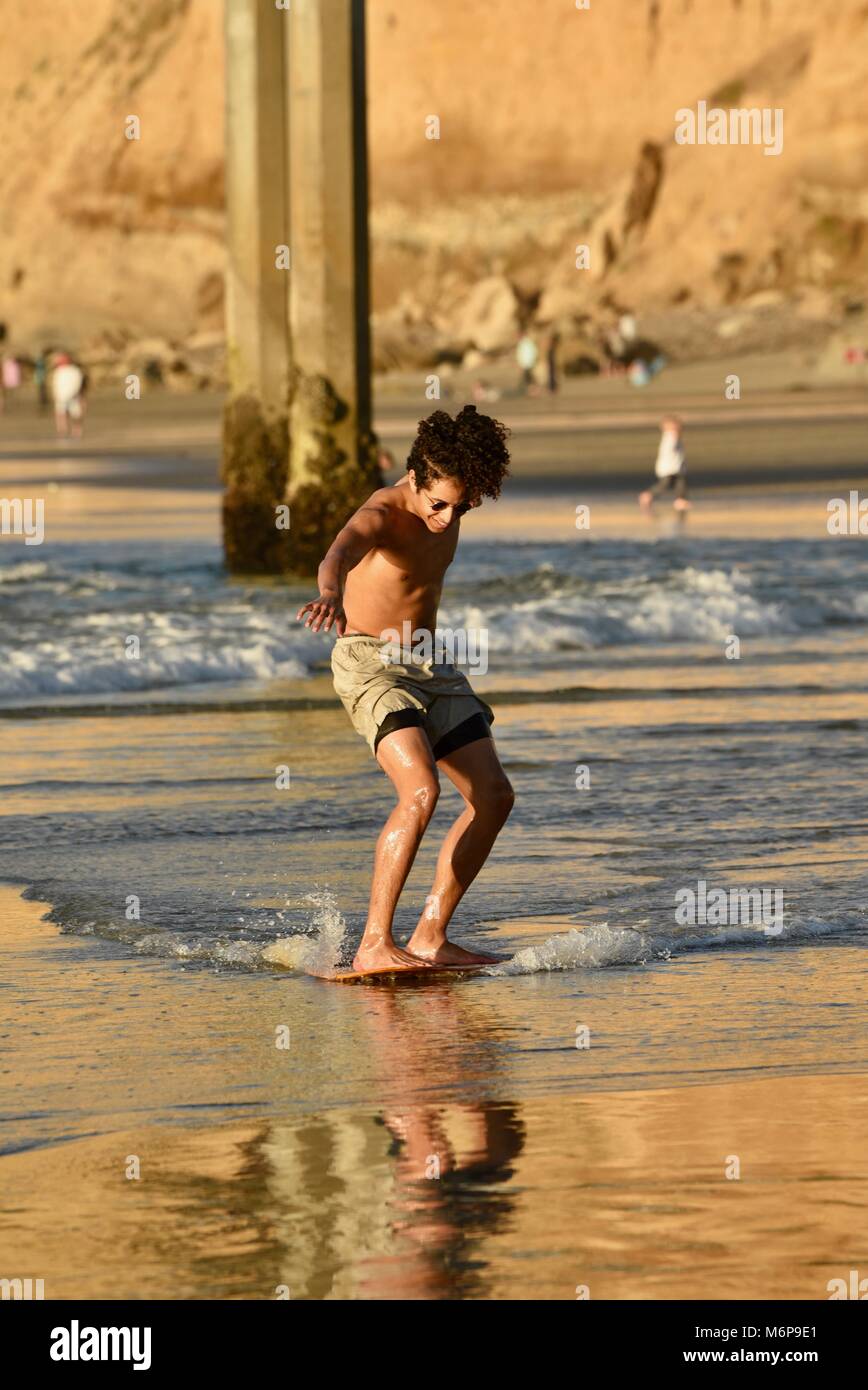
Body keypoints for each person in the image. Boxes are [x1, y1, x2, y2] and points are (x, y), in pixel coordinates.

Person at [297, 405, 514, 973]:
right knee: (421, 792)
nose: (446, 518)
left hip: (430, 665)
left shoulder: (450, 500)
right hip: (371, 663)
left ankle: (430, 937)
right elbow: (339, 551)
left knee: (494, 797)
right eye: (437, 503)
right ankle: (373, 944)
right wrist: (329, 592)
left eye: (460, 506)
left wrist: (452, 504)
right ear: (413, 477)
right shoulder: (385, 511)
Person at [639, 415, 689, 513]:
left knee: (680, 484)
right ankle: (648, 495)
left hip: (676, 467)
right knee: (664, 484)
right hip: (669, 467)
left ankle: (680, 500)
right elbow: (670, 451)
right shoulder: (670, 437)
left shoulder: (673, 438)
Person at [51, 353, 85, 438]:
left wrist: (75, 393)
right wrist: (55, 394)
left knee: (75, 414)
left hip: (73, 396)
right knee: (61, 414)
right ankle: (62, 430)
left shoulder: (74, 370)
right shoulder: (58, 371)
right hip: (61, 396)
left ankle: (76, 431)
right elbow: (55, 384)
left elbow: (78, 383)